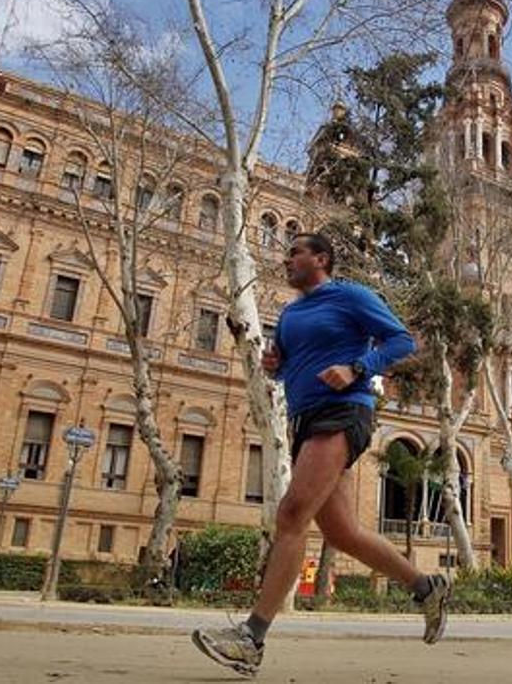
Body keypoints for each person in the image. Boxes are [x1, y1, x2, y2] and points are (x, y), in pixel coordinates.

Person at [191, 233, 450, 677]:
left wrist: (357, 367)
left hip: (345, 412)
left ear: (321, 259)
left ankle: (251, 638)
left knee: (292, 515)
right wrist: (277, 367)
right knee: (343, 533)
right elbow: (288, 368)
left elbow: (401, 341)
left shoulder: (348, 295)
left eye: (296, 252)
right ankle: (426, 586)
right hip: (305, 420)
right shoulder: (290, 315)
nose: (287, 259)